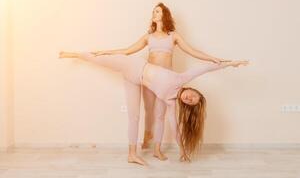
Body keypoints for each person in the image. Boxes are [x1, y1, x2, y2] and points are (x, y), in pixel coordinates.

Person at [91, 2, 230, 160]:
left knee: (160, 115)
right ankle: (146, 137)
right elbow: (126, 51)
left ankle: (157, 149)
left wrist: (212, 59)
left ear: (164, 15)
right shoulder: (148, 37)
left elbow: (192, 51)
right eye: (153, 12)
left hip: (167, 81)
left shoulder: (173, 36)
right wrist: (106, 53)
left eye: (157, 11)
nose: (154, 14)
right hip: (148, 77)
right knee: (149, 110)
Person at [59, 51, 249, 165]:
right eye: (193, 95)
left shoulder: (171, 101)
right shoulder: (181, 78)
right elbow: (205, 68)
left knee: (134, 117)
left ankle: (131, 155)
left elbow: (175, 130)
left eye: (190, 101)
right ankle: (72, 54)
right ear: (191, 89)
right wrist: (231, 64)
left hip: (134, 80)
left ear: (186, 105)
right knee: (99, 59)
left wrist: (182, 150)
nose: (189, 98)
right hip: (134, 65)